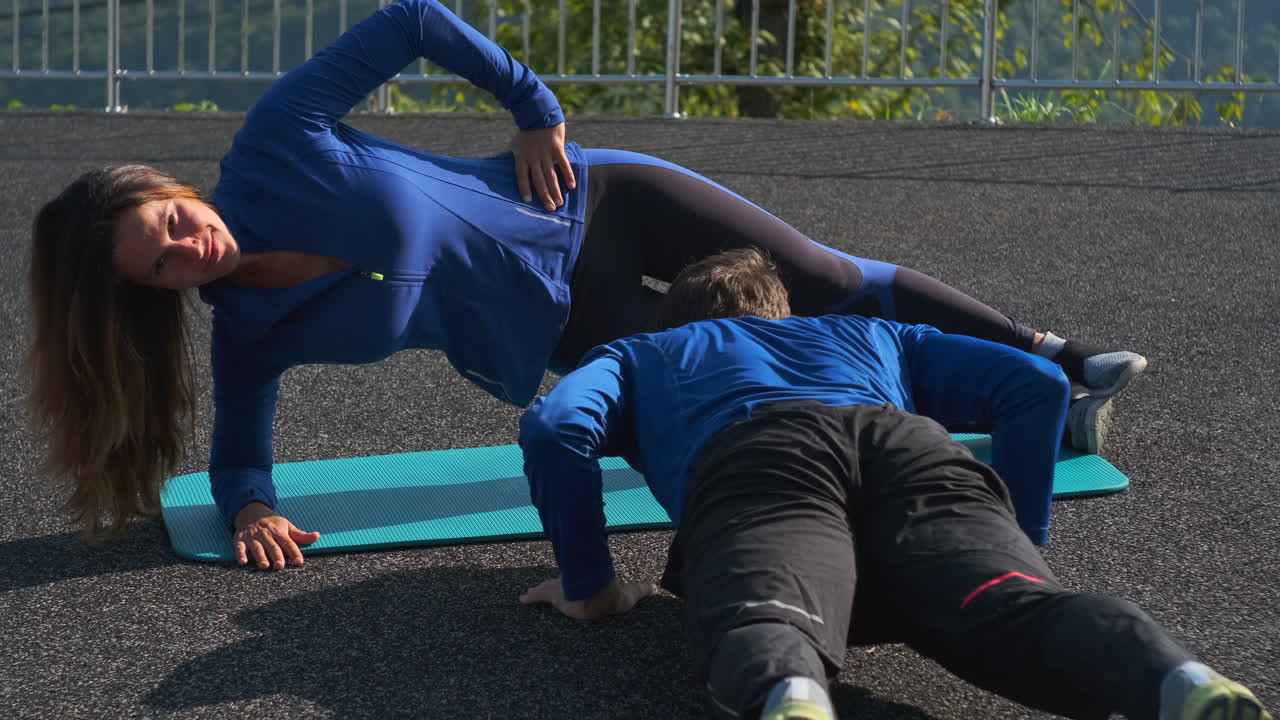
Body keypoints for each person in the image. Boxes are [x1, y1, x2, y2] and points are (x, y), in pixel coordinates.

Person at [27, 0, 1143, 568]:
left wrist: (531, 105)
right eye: (163, 264)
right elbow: (241, 453)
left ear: (174, 187)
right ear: (154, 292)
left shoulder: (277, 144)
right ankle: (989, 415)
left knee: (822, 278)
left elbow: (413, 16)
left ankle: (1049, 359)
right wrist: (254, 507)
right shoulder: (251, 331)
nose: (191, 248)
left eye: (172, 220)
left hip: (593, 200)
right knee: (755, 375)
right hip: (572, 327)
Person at [515, 249, 1269, 720]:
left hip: (761, 464)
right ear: (784, 312)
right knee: (1011, 603)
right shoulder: (870, 332)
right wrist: (1020, 541)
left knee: (771, 619)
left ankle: (796, 694)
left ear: (677, 316)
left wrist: (590, 584)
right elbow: (1038, 384)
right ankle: (1174, 675)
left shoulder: (647, 349)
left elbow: (555, 429)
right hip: (911, 450)